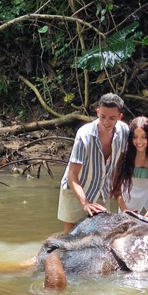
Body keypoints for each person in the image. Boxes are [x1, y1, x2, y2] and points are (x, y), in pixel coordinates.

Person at [57, 93, 129, 233]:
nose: (106, 122)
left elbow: (120, 162)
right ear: (97, 112)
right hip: (75, 190)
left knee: (100, 235)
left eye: (112, 118)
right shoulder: (85, 135)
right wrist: (85, 203)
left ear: (120, 117)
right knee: (71, 234)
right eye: (102, 116)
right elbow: (72, 175)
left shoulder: (123, 131)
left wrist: (115, 188)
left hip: (102, 189)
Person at [111, 116, 148, 220]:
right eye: (135, 136)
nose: (139, 141)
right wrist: (125, 210)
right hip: (130, 191)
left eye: (144, 137)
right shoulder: (124, 152)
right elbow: (116, 189)